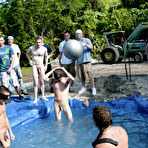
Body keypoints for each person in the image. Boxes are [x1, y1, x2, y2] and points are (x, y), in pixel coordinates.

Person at [0, 35, 24, 100]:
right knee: (5, 85)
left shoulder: (8, 48)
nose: (0, 42)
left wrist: (10, 67)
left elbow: (13, 57)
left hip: (10, 69)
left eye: (1, 40)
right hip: (2, 71)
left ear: (4, 41)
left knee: (15, 83)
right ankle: (7, 98)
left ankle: (20, 95)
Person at [26, 36, 48, 104]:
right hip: (34, 66)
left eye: (39, 42)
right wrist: (29, 60)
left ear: (42, 42)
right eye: (37, 42)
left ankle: (43, 96)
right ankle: (35, 98)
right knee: (35, 83)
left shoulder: (44, 48)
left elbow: (46, 57)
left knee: (42, 82)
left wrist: (46, 65)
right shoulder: (32, 48)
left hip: (41, 65)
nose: (38, 44)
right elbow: (27, 53)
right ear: (35, 42)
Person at [75, 29, 96, 95]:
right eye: (77, 34)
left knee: (90, 75)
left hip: (86, 61)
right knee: (81, 76)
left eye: (79, 33)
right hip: (79, 61)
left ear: (82, 34)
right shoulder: (75, 42)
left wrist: (85, 45)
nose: (78, 35)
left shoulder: (86, 40)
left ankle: (93, 88)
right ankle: (83, 88)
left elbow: (91, 48)